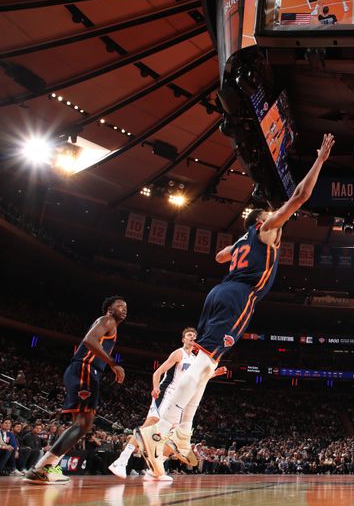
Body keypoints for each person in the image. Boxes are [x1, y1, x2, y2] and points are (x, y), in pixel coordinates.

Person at [135, 134, 335, 478]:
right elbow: (300, 196)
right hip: (239, 297)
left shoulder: (247, 237)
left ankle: (179, 437)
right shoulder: (265, 229)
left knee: (203, 365)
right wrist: (320, 160)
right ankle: (157, 431)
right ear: (261, 221)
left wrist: (237, 249)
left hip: (219, 292)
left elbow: (219, 256)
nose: (278, 220)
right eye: (271, 216)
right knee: (202, 367)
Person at [23, 296, 127, 484]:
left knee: (80, 425)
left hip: (85, 371)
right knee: (83, 424)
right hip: (85, 369)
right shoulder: (107, 320)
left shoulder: (112, 325)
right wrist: (113, 363)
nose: (124, 309)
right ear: (109, 309)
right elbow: (89, 341)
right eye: (120, 305)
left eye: (126, 307)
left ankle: (48, 467)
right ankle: (42, 468)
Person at [108, 327, 226, 480]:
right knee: (149, 425)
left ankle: (155, 470)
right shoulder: (179, 353)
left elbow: (197, 381)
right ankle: (121, 460)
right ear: (183, 339)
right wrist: (155, 387)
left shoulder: (195, 360)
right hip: (166, 394)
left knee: (173, 438)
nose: (193, 338)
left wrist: (214, 374)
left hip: (179, 400)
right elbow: (157, 372)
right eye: (189, 335)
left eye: (195, 336)